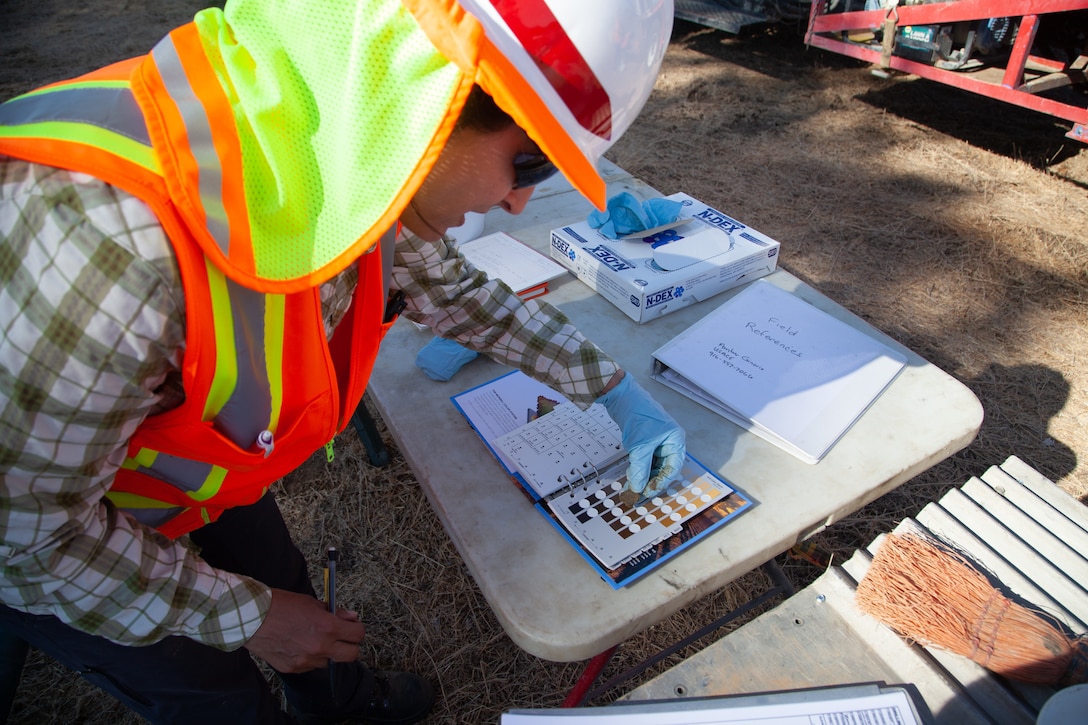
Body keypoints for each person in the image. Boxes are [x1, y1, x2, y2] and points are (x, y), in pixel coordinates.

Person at [0, 0, 682, 723]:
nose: (517, 203)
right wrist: (250, 618)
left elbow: (460, 296)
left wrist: (611, 387)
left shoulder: (350, 141)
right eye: (529, 163)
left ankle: (341, 705)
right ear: (437, 93)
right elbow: (26, 537)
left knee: (281, 571)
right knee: (215, 694)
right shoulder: (112, 246)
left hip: (186, 470)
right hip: (50, 526)